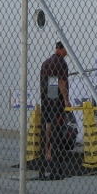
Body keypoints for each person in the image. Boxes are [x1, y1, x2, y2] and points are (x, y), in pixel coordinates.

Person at [38, 42, 70, 181]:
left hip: (46, 99)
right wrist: (66, 99)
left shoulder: (46, 63)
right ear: (61, 49)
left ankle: (46, 150)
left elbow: (48, 83)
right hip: (55, 99)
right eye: (66, 50)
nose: (67, 53)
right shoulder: (61, 63)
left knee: (48, 125)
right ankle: (53, 154)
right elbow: (61, 83)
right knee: (56, 125)